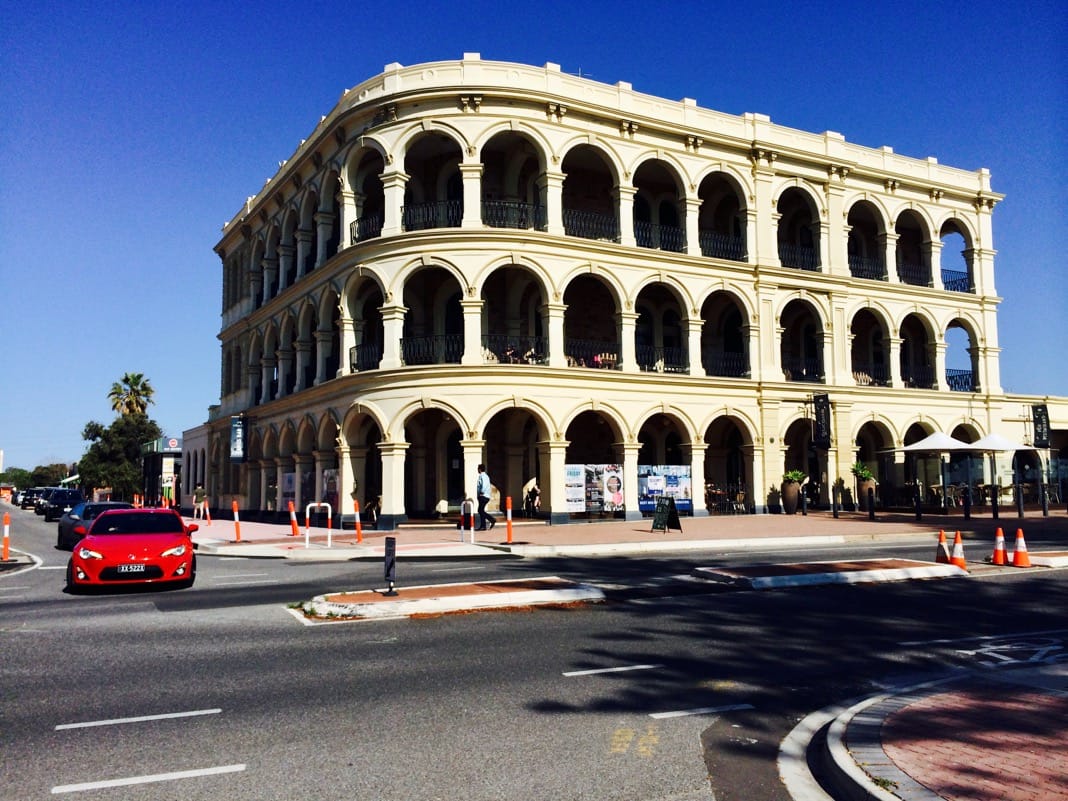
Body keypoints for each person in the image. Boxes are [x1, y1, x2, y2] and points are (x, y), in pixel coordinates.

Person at [475, 464, 495, 531]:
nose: (477, 470)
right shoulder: (484, 476)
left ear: (480, 469)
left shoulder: (483, 476)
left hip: (483, 496)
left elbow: (484, 485)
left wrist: (481, 492)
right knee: (481, 510)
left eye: (478, 468)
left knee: (480, 510)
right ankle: (483, 526)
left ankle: (492, 520)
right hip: (483, 496)